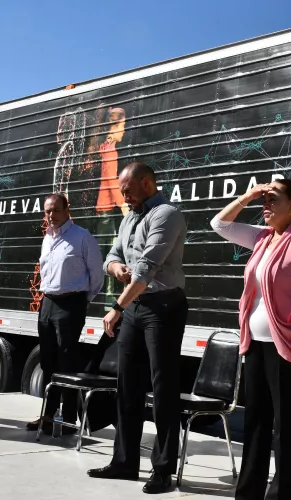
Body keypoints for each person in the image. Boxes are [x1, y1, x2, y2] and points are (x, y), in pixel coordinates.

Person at [210, 179, 291, 500]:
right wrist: (249, 195)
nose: (266, 205)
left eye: (273, 199)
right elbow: (219, 224)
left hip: (288, 346)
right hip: (255, 345)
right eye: (265, 200)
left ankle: (283, 495)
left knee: (285, 427)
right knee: (255, 422)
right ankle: (249, 493)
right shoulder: (262, 237)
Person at [87, 162, 187, 495]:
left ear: (146, 183)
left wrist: (117, 307)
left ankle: (163, 470)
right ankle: (125, 461)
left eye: (128, 190)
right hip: (135, 306)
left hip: (163, 306)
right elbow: (112, 256)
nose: (124, 196)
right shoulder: (130, 217)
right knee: (127, 385)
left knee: (163, 389)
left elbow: (146, 268)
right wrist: (116, 269)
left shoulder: (166, 214)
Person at [26, 193, 104, 435]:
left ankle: (69, 418)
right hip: (48, 302)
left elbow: (97, 275)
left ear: (67, 210)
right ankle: (48, 415)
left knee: (67, 361)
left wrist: (81, 301)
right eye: (47, 211)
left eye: (56, 210)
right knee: (47, 361)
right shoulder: (47, 238)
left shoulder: (82, 237)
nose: (51, 215)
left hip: (71, 303)